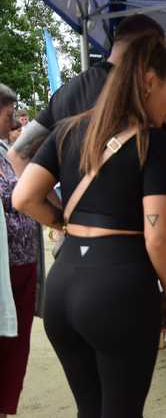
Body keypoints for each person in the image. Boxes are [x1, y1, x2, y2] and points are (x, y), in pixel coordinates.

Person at [12, 35, 166, 417]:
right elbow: (157, 236)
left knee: (89, 410)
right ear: (150, 81)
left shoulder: (68, 129)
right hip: (118, 290)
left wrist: (63, 222)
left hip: (64, 285)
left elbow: (23, 197)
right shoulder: (153, 142)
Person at [8, 14, 166, 209]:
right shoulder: (150, 96)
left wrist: (65, 217)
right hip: (137, 232)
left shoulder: (65, 93)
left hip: (78, 234)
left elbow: (18, 156)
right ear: (149, 49)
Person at [0, 84, 38, 418]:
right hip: (4, 267)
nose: (13, 121)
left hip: (22, 263)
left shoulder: (4, 151)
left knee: (16, 343)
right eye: (9, 113)